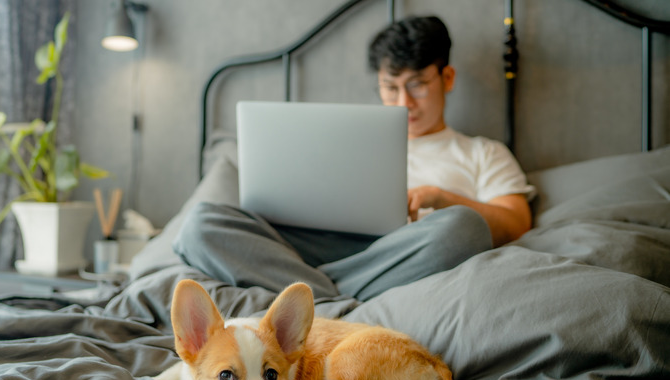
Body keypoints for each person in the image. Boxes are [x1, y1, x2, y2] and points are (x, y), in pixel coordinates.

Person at [173, 16, 535, 302]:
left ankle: (315, 294)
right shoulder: (343, 136)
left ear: (447, 77)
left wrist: (440, 198)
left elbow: (516, 222)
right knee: (199, 224)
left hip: (402, 253)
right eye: (390, 87)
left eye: (418, 84)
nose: (403, 102)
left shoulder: (483, 152)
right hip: (309, 245)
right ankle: (337, 293)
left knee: (464, 227)